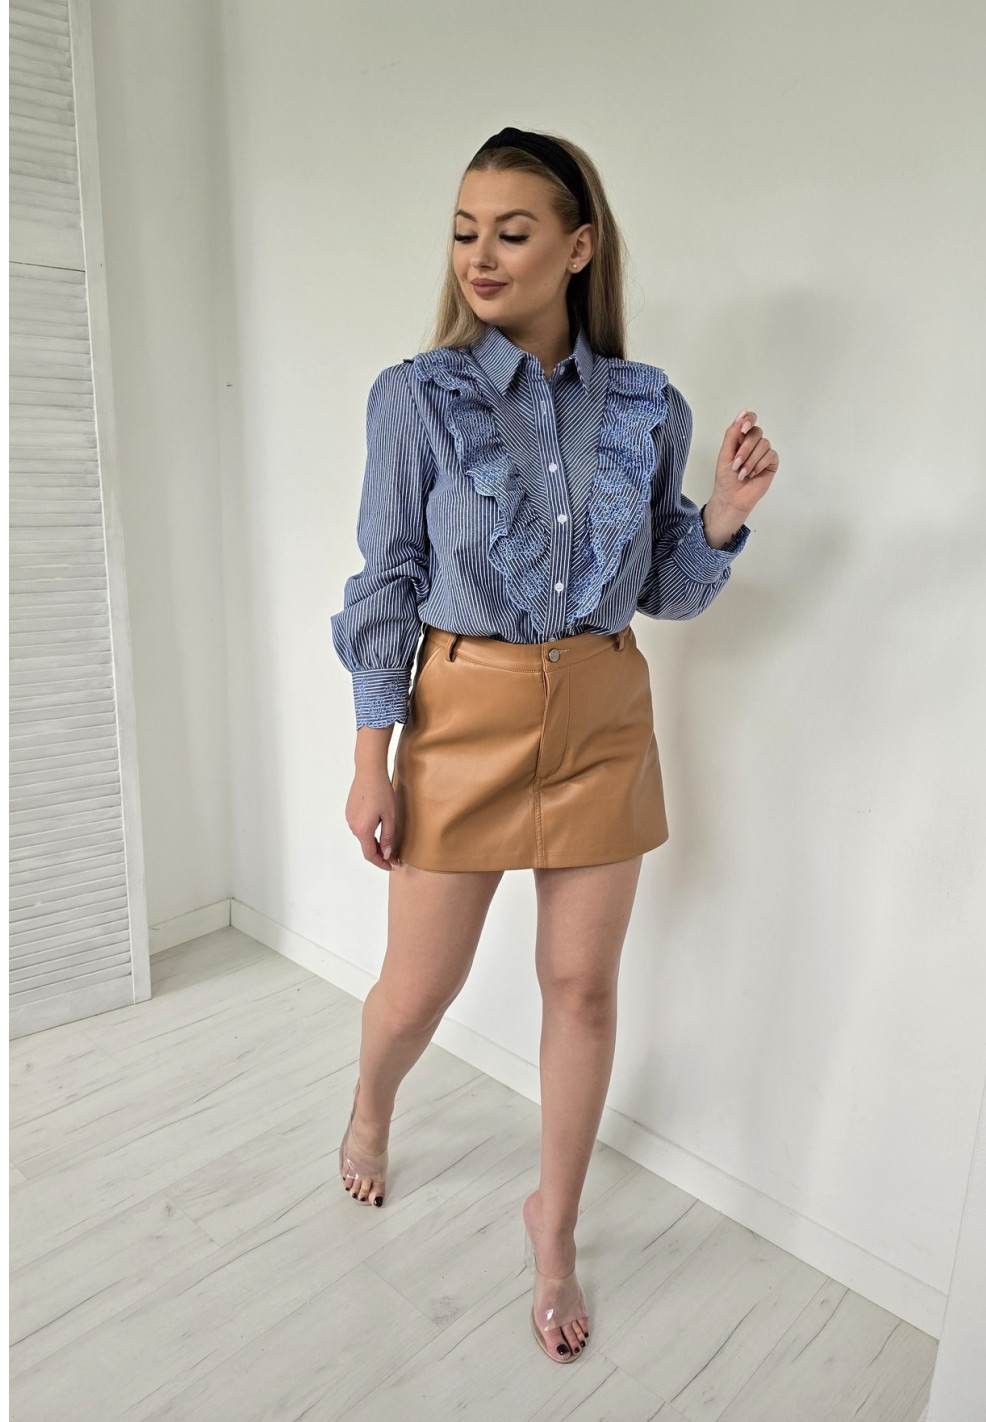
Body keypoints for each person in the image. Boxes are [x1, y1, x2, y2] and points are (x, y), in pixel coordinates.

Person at [329, 125, 779, 1365]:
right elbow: (386, 580)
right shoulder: (416, 398)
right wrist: (371, 756)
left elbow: (664, 592)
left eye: (511, 232)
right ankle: (369, 1106)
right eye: (464, 231)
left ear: (577, 248)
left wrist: (721, 518)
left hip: (600, 713)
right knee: (416, 992)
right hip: (460, 715)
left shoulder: (646, 406)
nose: (480, 255)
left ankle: (554, 1230)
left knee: (580, 989)